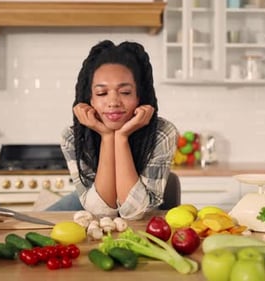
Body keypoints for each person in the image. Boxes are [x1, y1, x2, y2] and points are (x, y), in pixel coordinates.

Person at [46, 40, 178, 220]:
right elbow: (101, 212)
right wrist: (107, 136)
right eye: (101, 93)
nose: (114, 102)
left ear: (139, 96)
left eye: (125, 92)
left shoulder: (162, 132)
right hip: (89, 210)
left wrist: (121, 138)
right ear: (90, 99)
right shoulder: (72, 137)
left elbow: (134, 213)